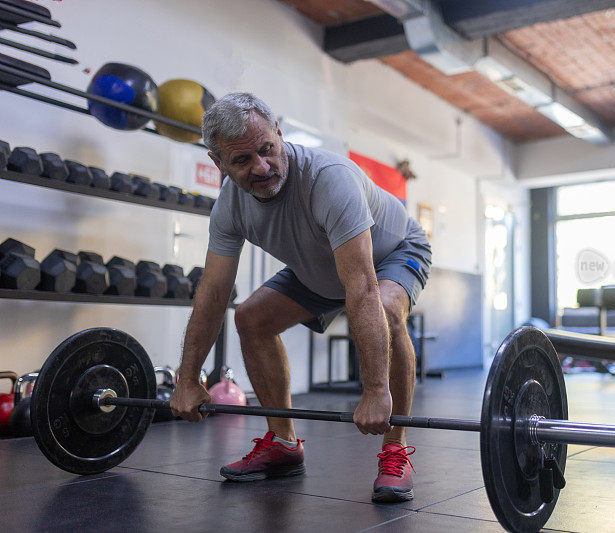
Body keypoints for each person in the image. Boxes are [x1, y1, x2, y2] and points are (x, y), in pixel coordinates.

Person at [170, 92, 431, 503]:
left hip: (389, 254)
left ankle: (395, 450)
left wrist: (377, 388)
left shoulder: (329, 178)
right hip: (320, 265)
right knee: (251, 318)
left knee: (384, 307)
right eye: (241, 161)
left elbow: (361, 286)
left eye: (267, 149)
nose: (261, 167)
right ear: (219, 165)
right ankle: (284, 443)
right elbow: (213, 292)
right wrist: (187, 380)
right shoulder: (230, 206)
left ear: (279, 133)